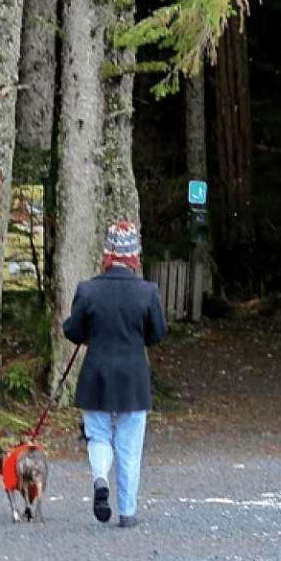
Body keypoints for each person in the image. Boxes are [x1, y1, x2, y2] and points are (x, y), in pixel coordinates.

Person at [63, 220, 166, 528]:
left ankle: (100, 480)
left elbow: (73, 330)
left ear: (107, 253)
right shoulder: (148, 292)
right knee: (130, 448)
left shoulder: (88, 289)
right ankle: (128, 512)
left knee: (98, 436)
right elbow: (157, 333)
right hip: (134, 379)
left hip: (97, 376)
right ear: (134, 255)